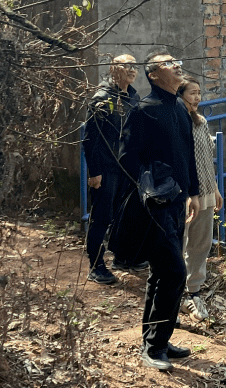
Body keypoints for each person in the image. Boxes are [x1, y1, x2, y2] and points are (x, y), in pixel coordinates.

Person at [118, 52, 201, 372]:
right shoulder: (143, 111)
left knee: (161, 274)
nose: (177, 64)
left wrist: (192, 192)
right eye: (169, 63)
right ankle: (153, 347)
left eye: (177, 60)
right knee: (175, 272)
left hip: (179, 202)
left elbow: (188, 154)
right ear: (153, 75)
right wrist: (155, 181)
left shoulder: (180, 107)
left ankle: (157, 339)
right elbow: (127, 159)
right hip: (156, 205)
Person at [81, 53, 143, 285]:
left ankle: (123, 257)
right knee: (101, 218)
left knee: (123, 215)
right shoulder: (102, 98)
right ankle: (96, 266)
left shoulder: (133, 97)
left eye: (134, 66)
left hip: (126, 170)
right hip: (106, 170)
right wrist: (94, 172)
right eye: (126, 65)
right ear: (113, 69)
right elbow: (90, 139)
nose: (131, 69)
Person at [177, 78, 223, 322]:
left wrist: (215, 188)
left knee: (201, 244)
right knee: (180, 243)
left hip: (205, 192)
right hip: (185, 195)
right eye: (192, 93)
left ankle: (194, 291)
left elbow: (206, 159)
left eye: (199, 93)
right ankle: (176, 294)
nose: (196, 98)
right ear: (180, 94)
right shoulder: (176, 122)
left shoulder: (201, 122)